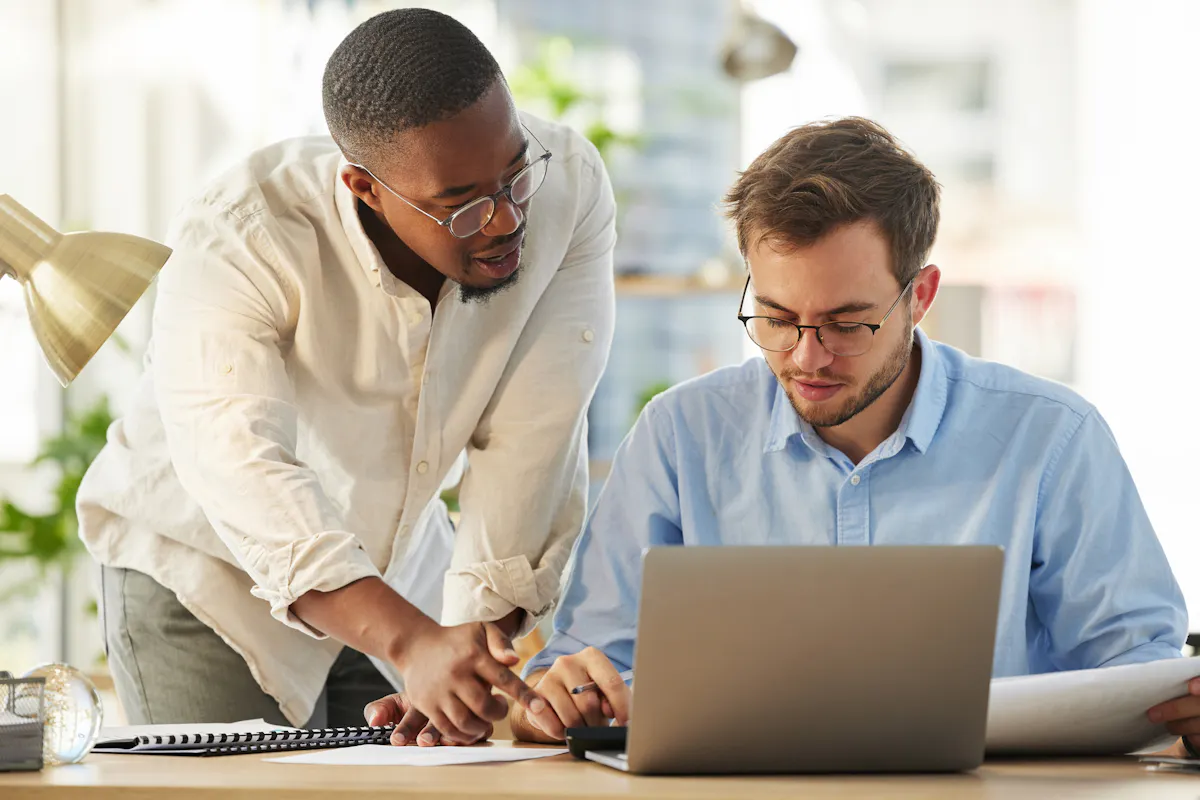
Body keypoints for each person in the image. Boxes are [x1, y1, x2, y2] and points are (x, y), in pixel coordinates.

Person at [482, 117, 1195, 753]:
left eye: (848, 323)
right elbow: (577, 672)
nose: (805, 356)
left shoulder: (1050, 439)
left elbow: (1138, 675)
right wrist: (562, 699)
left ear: (920, 295)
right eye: (776, 316)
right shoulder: (679, 435)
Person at [77, 7, 614, 746]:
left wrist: (460, 653)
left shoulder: (570, 190)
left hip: (400, 564)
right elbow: (241, 464)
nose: (502, 221)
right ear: (365, 188)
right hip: (212, 572)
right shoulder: (242, 230)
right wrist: (409, 645)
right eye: (461, 208)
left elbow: (535, 435)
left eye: (515, 176)